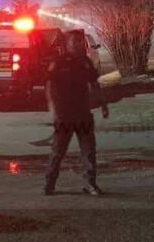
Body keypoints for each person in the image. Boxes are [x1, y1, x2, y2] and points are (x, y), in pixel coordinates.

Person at [44, 30, 109, 196]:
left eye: (81, 41)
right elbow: (50, 86)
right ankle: (49, 184)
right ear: (67, 44)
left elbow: (94, 83)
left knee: (89, 150)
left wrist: (102, 103)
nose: (80, 44)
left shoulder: (85, 62)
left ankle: (90, 184)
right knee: (58, 151)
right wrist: (54, 109)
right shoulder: (58, 62)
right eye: (76, 41)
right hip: (64, 115)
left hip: (83, 113)